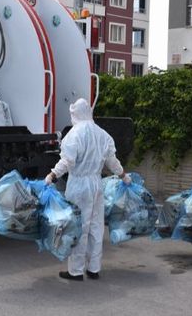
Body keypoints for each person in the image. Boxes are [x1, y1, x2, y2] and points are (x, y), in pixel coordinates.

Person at [45, 98, 130, 281]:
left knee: (79, 227)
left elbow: (67, 161)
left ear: (76, 114)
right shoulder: (103, 135)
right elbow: (112, 161)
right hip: (96, 184)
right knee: (96, 227)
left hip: (79, 185)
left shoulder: (74, 135)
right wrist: (123, 175)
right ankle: (93, 268)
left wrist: (52, 175)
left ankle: (75, 271)